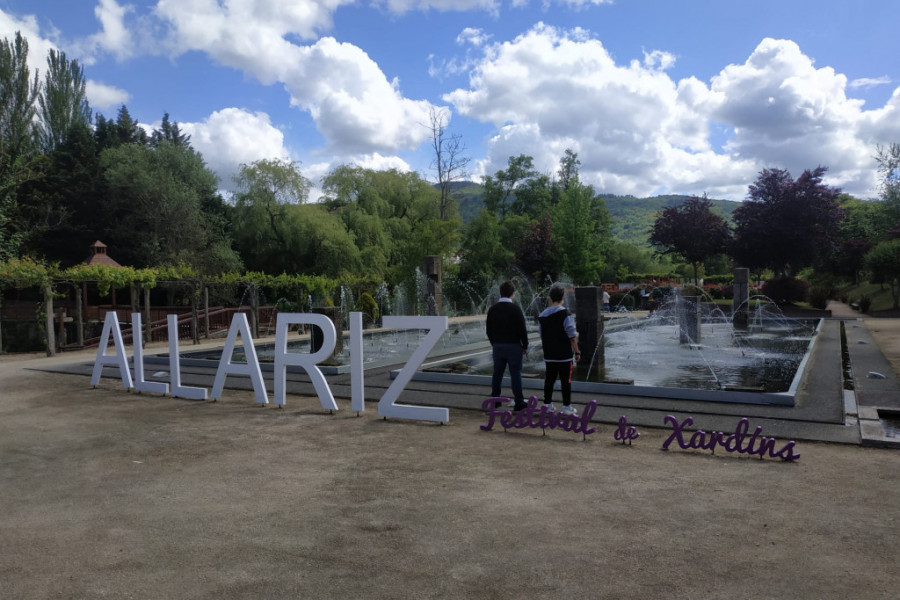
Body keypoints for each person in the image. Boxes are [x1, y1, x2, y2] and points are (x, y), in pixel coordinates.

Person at [486, 280, 529, 411]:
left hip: (498, 346)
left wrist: (494, 343)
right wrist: (525, 345)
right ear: (513, 294)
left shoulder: (492, 310)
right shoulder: (515, 309)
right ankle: (519, 401)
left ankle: (495, 400)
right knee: (516, 374)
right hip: (514, 346)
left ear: (500, 293)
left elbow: (489, 330)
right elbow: (522, 329)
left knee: (497, 373)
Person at [538, 285, 580, 416]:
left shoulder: (542, 315)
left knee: (549, 380)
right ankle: (566, 407)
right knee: (565, 381)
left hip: (549, 354)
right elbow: (572, 336)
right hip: (564, 356)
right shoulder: (565, 314)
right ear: (563, 297)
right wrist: (577, 352)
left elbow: (541, 335)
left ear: (550, 298)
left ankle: (547, 404)